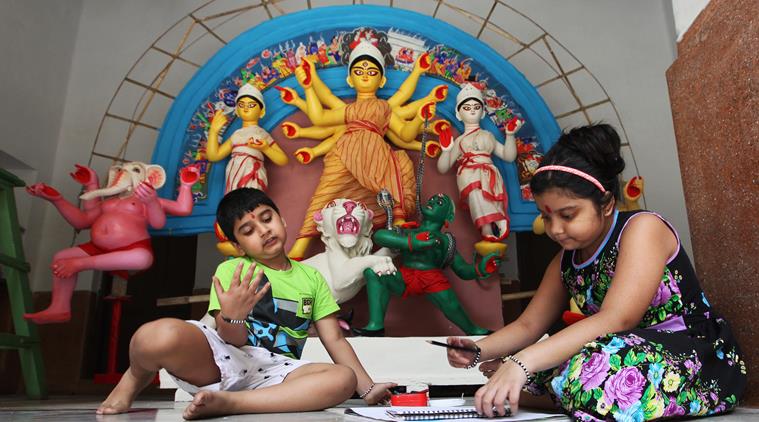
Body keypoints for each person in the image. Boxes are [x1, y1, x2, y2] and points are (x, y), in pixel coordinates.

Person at [444, 124, 747, 420]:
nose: (555, 229)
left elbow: (617, 318)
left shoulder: (642, 228)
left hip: (693, 354)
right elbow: (528, 326)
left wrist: (522, 362)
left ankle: (558, 392)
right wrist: (477, 350)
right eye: (546, 217)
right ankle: (563, 391)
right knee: (548, 364)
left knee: (589, 363)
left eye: (568, 215)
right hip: (616, 348)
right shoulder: (565, 260)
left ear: (606, 204)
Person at [97, 188, 393, 420]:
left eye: (267, 219)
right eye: (248, 230)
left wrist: (366, 389)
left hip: (279, 373)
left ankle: (231, 404)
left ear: (282, 219)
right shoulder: (234, 270)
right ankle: (133, 378)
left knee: (342, 378)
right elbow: (229, 339)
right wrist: (233, 316)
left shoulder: (312, 278)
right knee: (154, 336)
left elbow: (335, 339)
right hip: (223, 359)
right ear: (238, 246)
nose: (263, 231)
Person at [281, 40, 444, 258]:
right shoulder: (349, 110)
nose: (365, 75)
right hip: (345, 151)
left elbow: (405, 133)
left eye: (371, 71)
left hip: (375, 151)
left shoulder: (384, 107)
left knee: (392, 169)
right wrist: (309, 88)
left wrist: (419, 118)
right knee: (324, 192)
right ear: (350, 79)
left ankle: (397, 220)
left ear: (382, 79)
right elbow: (318, 117)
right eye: (359, 71)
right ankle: (299, 247)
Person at [437, 83, 521, 257]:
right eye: (467, 108)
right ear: (458, 114)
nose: (472, 111)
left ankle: (499, 220)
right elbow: (443, 167)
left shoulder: (487, 136)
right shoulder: (459, 141)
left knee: (491, 196)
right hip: (469, 174)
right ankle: (486, 228)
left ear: (483, 112)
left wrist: (510, 136)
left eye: (476, 107)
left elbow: (508, 155)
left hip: (489, 171)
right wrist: (446, 150)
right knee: (477, 196)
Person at [207, 83, 289, 256]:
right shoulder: (236, 135)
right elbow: (214, 155)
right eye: (241, 105)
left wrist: (265, 147)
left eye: (251, 105)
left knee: (251, 206)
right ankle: (238, 240)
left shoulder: (262, 134)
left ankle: (252, 239)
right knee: (235, 207)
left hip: (252, 171)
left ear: (261, 111)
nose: (246, 109)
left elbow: (282, 159)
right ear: (236, 110)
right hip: (235, 172)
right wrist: (214, 132)